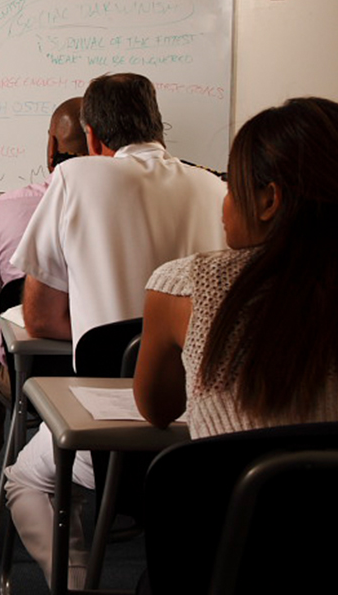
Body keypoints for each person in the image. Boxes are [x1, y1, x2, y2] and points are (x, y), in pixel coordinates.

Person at [4, 73, 228, 595]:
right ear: (158, 124)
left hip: (109, 425)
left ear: (93, 134)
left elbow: (43, 320)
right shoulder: (214, 187)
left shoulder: (76, 177)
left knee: (28, 482)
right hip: (206, 427)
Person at [135, 96, 338, 435]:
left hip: (236, 489)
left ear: (268, 201)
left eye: (232, 184)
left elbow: (157, 410)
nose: (225, 200)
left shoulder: (185, 285)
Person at [0, 97, 87, 507]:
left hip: (33, 375)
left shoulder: (11, 206)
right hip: (119, 374)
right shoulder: (140, 209)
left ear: (51, 148)